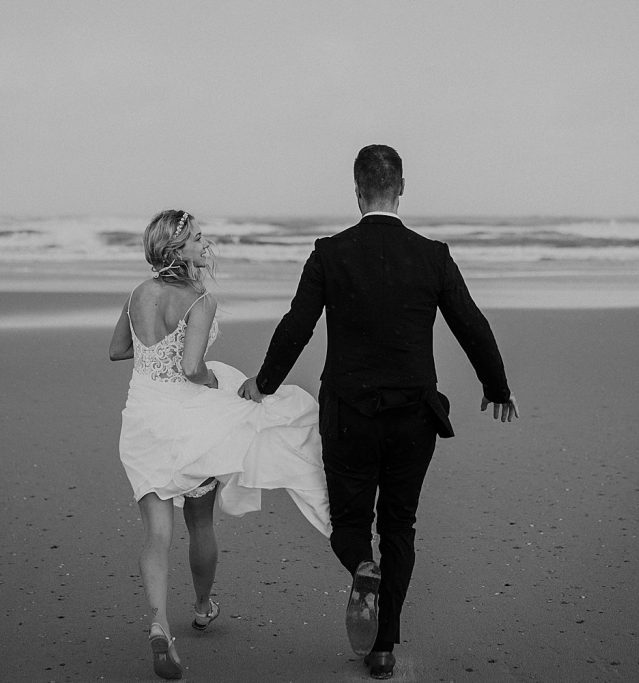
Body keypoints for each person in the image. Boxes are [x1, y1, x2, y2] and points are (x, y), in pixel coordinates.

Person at [239, 145, 518, 679]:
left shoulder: (330, 252)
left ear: (357, 191)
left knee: (349, 523)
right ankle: (384, 647)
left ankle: (361, 568)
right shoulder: (432, 255)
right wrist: (497, 387)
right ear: (402, 187)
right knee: (400, 525)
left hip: (349, 414)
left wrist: (264, 383)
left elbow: (298, 324)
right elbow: (471, 324)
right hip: (415, 416)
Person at [109, 209, 331, 680]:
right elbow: (192, 368)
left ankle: (158, 624)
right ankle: (204, 605)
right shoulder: (198, 298)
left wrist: (153, 348)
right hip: (189, 421)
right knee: (200, 523)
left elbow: (118, 350)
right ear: (177, 250)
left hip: (143, 418)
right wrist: (216, 385)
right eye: (197, 237)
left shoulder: (137, 294)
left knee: (155, 532)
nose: (206, 242)